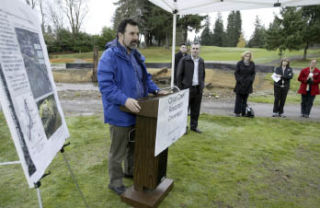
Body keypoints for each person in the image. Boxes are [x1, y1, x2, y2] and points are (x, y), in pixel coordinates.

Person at [97, 19, 164, 195]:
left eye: (137, 34)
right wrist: (125, 100)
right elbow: (106, 86)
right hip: (119, 112)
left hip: (139, 111)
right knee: (117, 152)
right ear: (120, 35)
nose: (136, 37)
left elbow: (145, 78)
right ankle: (115, 183)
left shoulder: (136, 55)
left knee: (134, 147)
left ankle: (130, 171)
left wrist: (156, 91)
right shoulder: (109, 56)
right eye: (132, 34)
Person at [177, 43, 205, 133]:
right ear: (190, 50)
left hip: (198, 89)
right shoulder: (184, 60)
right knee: (185, 109)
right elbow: (179, 75)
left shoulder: (201, 61)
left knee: (196, 110)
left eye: (197, 48)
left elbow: (203, 74)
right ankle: (183, 127)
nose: (195, 50)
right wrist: (181, 89)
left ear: (199, 50)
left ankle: (194, 126)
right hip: (187, 89)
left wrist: (202, 85)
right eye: (193, 48)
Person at [233, 51, 256, 117]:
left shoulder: (252, 64)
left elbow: (253, 73)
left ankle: (243, 113)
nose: (247, 57)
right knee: (238, 99)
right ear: (243, 56)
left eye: (248, 56)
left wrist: (250, 80)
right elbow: (236, 73)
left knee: (245, 100)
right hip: (240, 84)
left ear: (250, 57)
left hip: (248, 85)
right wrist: (240, 80)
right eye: (246, 56)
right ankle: (237, 113)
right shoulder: (239, 63)